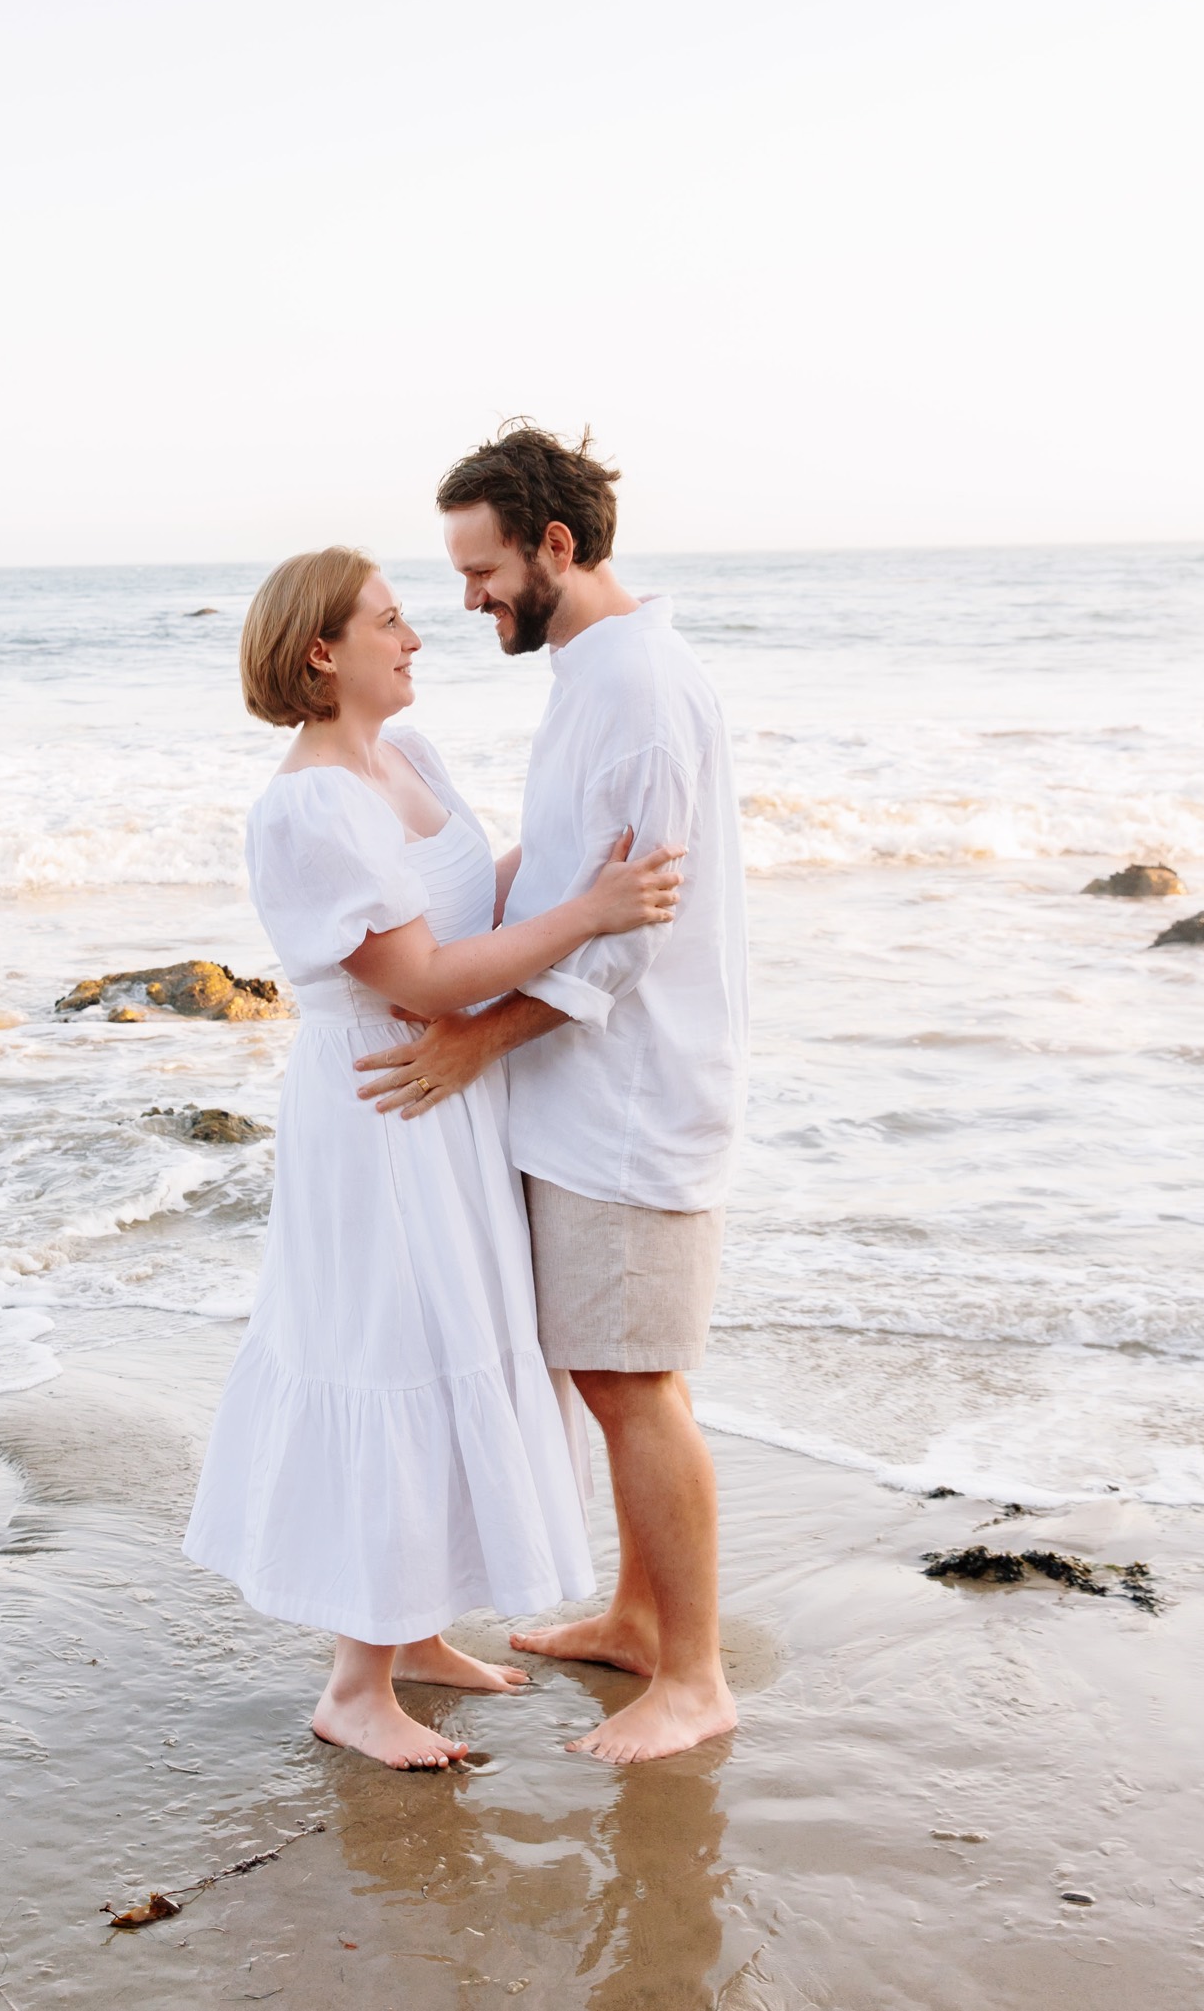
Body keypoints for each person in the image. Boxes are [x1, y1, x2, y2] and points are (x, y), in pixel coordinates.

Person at [182, 545, 685, 1771]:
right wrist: (593, 914)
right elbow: (415, 977)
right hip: (383, 1107)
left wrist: (576, 863)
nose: (418, 636)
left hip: (452, 1098)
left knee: (456, 1341)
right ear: (322, 651)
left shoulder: (405, 757)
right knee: (392, 1354)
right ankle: (354, 1687)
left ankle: (411, 1636)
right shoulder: (310, 804)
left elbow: (469, 897)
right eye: (391, 620)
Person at [355, 424, 749, 1763]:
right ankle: (640, 1616)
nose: (468, 600)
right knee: (606, 1369)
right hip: (591, 1099)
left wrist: (477, 1037)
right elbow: (574, 874)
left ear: (555, 547)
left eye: (480, 572)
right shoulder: (599, 673)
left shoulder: (636, 687)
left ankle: (692, 1675)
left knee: (635, 1383)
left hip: (635, 1099)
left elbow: (630, 932)